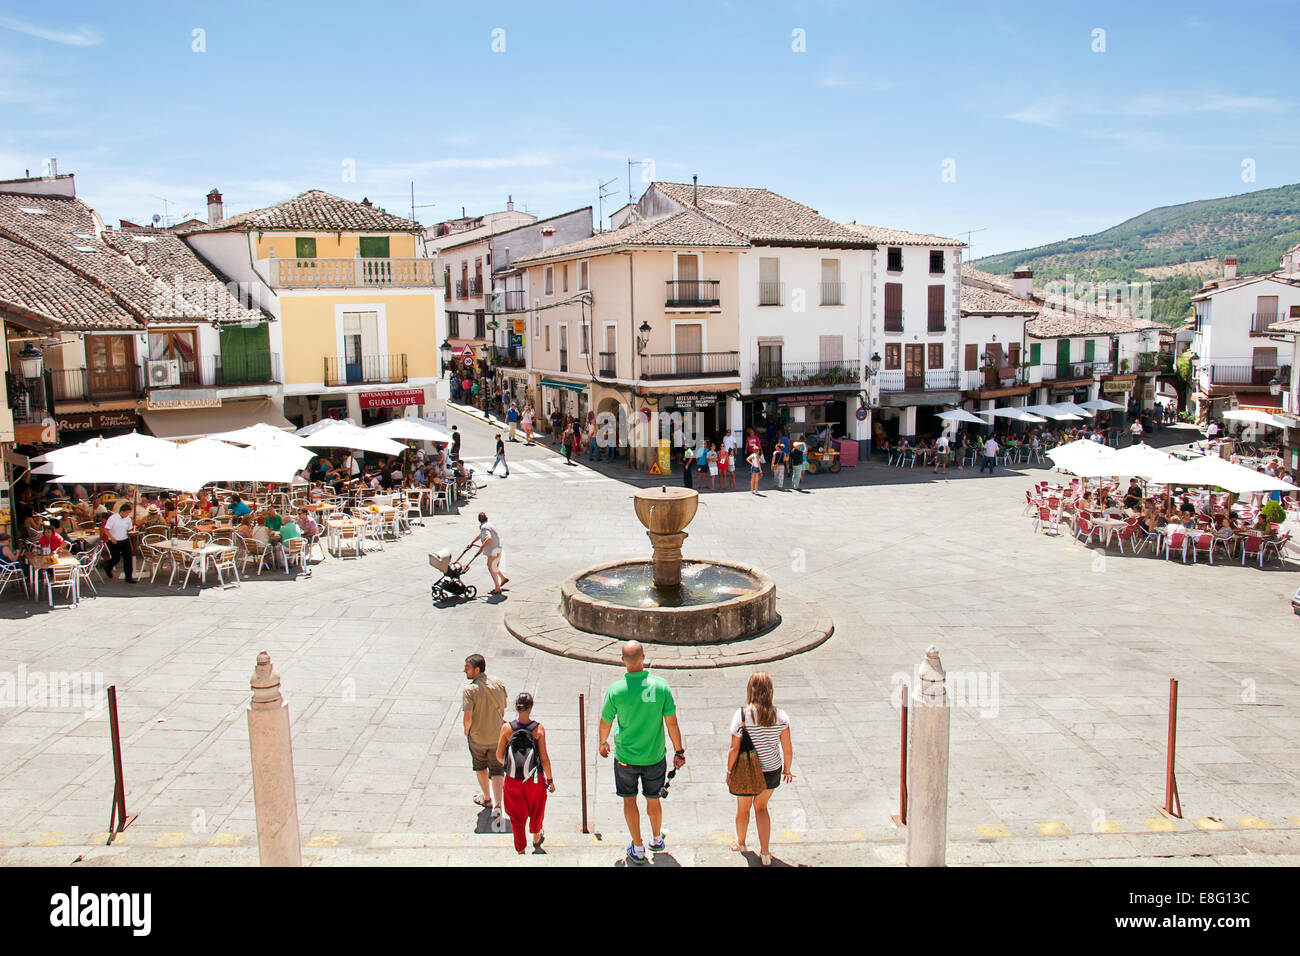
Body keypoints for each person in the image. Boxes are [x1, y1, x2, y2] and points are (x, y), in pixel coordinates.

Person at [598, 640, 685, 865]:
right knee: (653, 798)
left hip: (626, 757)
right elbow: (672, 723)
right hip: (654, 756)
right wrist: (679, 750)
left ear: (622, 661)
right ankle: (656, 839)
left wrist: (603, 742)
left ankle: (637, 846)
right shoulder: (661, 686)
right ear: (644, 657)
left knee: (629, 800)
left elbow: (605, 721)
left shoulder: (616, 690)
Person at [726, 672, 795, 866]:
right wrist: (787, 770)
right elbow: (787, 749)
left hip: (746, 770)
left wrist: (729, 772)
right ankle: (765, 852)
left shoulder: (742, 715)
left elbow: (734, 749)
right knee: (762, 807)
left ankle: (741, 843)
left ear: (750, 689)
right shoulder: (781, 717)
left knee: (743, 808)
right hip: (772, 769)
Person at [495, 691, 555, 854]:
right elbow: (544, 758)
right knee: (537, 809)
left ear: (516, 707)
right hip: (535, 778)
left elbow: (499, 756)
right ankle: (536, 837)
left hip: (513, 780)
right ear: (531, 707)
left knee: (516, 816)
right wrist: (550, 779)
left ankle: (521, 850)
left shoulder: (507, 728)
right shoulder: (538, 729)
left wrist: (510, 766)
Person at [462, 654, 508, 825]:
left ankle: (487, 798)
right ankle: (497, 804)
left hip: (478, 737)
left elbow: (468, 717)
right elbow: (504, 705)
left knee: (480, 766)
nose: (464, 670)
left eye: (467, 667)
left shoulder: (470, 690)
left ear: (477, 670)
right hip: (497, 735)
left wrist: (467, 731)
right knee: (497, 769)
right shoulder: (498, 683)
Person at [470, 511, 508, 594]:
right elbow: (481, 535)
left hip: (493, 551)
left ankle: (497, 588)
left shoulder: (484, 528)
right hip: (497, 548)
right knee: (493, 566)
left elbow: (489, 538)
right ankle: (503, 578)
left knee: (492, 569)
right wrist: (472, 542)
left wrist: (481, 548)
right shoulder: (489, 525)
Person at [102, 503, 135, 584]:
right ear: (122, 512)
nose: (128, 514)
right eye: (127, 512)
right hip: (114, 540)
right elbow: (106, 529)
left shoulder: (128, 519)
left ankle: (128, 577)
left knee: (128, 558)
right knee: (116, 558)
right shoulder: (113, 518)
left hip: (124, 539)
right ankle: (108, 567)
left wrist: (131, 531)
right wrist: (112, 538)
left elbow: (129, 529)